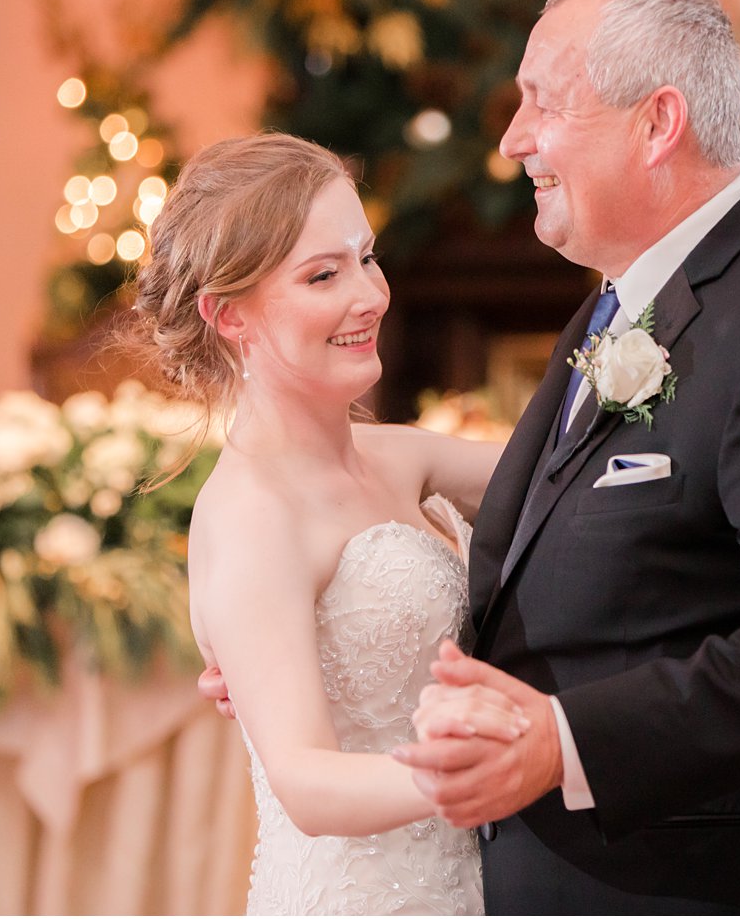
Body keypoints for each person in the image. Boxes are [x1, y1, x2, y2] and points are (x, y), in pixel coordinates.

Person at [390, 0, 740, 914]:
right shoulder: (621, 304)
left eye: (542, 103)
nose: (513, 139)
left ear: (657, 123)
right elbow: (568, 568)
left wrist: (565, 742)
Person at [131, 133, 523, 915]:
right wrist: (495, 761)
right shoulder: (250, 513)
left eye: (367, 257)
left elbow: (569, 487)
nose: (370, 294)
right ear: (227, 315)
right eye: (324, 274)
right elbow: (305, 777)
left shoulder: (402, 457)